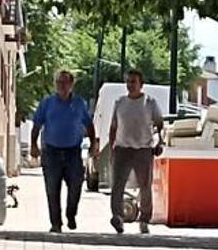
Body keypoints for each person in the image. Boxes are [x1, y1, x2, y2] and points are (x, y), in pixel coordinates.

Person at [30, 70, 97, 233]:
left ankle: (71, 214)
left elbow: (89, 124)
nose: (61, 85)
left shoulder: (79, 104)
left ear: (71, 85)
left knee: (76, 185)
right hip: (51, 151)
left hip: (73, 152)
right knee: (52, 189)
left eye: (65, 82)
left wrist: (93, 144)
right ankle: (56, 223)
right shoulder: (47, 103)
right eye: (59, 82)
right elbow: (37, 124)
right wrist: (33, 144)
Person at [109, 68, 164, 234]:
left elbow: (159, 124)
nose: (130, 85)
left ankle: (144, 219)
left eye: (134, 82)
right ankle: (117, 217)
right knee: (117, 185)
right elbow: (113, 127)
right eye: (128, 81)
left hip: (143, 150)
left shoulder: (150, 103)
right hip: (122, 149)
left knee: (145, 186)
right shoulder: (120, 102)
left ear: (141, 84)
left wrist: (159, 141)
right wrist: (112, 148)